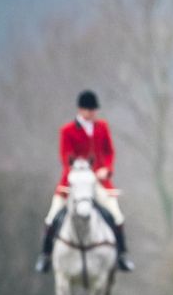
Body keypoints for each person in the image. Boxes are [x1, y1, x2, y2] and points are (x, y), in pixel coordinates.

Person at [35, 90, 134, 273]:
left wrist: (107, 170)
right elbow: (66, 157)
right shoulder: (67, 131)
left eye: (93, 110)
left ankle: (122, 255)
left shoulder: (102, 127)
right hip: (73, 182)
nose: (92, 113)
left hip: (98, 183)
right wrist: (82, 171)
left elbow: (109, 152)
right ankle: (45, 255)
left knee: (117, 215)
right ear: (80, 109)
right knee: (52, 216)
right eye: (89, 110)